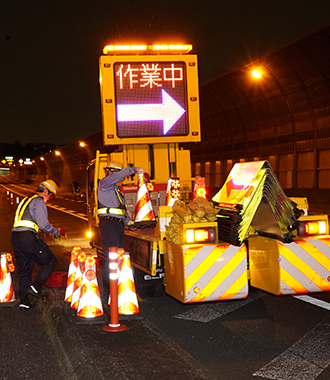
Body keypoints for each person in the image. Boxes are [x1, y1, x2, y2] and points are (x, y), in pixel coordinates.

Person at [11, 180, 62, 309]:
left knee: (25, 270)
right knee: (50, 260)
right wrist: (55, 231)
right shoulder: (39, 201)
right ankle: (36, 286)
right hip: (28, 238)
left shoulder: (26, 199)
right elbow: (43, 224)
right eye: (50, 196)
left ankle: (24, 301)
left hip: (16, 237)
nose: (49, 199)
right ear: (46, 191)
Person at [97, 161, 144, 289]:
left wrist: (128, 221)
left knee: (118, 254)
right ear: (109, 172)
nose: (114, 175)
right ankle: (109, 286)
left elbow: (120, 210)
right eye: (113, 172)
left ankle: (115, 282)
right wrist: (134, 169)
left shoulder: (116, 191)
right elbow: (118, 176)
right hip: (108, 224)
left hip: (117, 225)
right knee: (112, 254)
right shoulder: (104, 184)